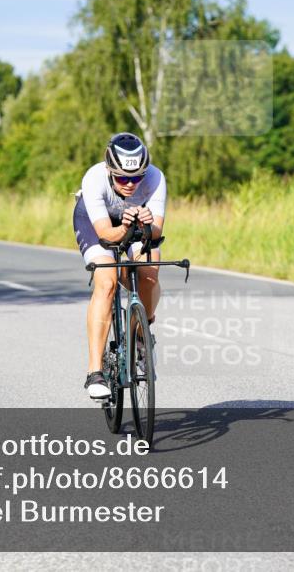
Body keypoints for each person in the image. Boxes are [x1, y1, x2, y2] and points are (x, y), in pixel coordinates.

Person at [73, 132, 166, 399]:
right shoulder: (94, 179)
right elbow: (105, 233)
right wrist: (124, 226)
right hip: (97, 224)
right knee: (107, 282)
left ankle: (142, 336)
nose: (131, 184)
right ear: (109, 170)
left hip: (136, 224)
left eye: (137, 177)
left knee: (149, 274)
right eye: (123, 178)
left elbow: (157, 231)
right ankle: (95, 372)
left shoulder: (156, 178)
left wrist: (147, 224)